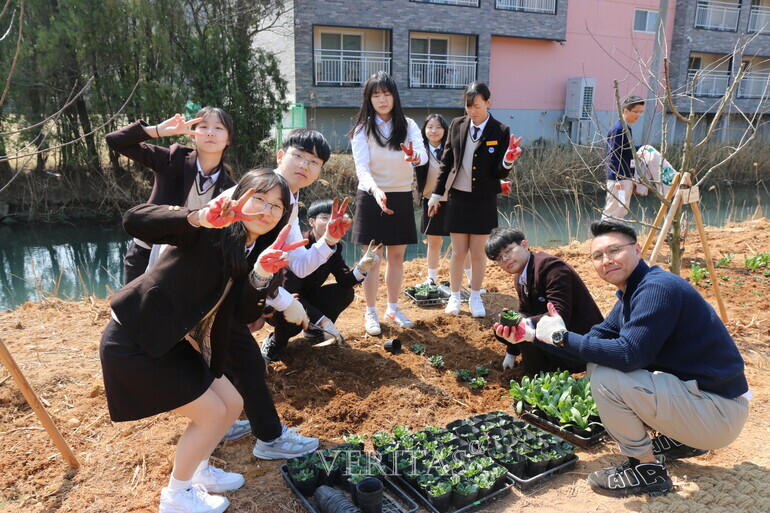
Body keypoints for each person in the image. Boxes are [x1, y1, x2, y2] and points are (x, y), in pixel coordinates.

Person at [100, 170, 304, 513]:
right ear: (240, 198)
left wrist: (260, 276)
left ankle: (199, 471)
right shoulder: (212, 228)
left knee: (232, 403)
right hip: (135, 340)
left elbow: (241, 313)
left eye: (276, 206)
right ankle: (176, 496)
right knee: (211, 414)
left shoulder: (254, 251)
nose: (266, 210)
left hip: (171, 342)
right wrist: (198, 217)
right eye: (259, 199)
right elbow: (134, 220)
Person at [529, 220, 750, 497]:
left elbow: (629, 355)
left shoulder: (657, 289)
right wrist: (532, 336)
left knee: (605, 375)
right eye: (597, 256)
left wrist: (561, 337)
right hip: (708, 404)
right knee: (598, 361)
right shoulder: (633, 292)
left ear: (637, 249)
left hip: (718, 413)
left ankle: (646, 470)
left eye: (614, 250)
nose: (606, 260)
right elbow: (594, 341)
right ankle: (682, 439)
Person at [106, 107, 237, 284]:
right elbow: (115, 141)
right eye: (203, 126)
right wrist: (158, 130)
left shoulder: (230, 188)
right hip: (146, 253)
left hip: (188, 263)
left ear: (228, 139)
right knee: (131, 302)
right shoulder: (173, 159)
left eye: (219, 128)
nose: (210, 133)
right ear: (192, 135)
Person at [427, 82, 521, 318]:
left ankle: (476, 296)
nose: (472, 111)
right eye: (468, 106)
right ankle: (455, 295)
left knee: (478, 252)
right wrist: (436, 194)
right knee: (458, 251)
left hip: (484, 199)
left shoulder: (500, 130)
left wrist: (508, 160)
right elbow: (446, 162)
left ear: (488, 103)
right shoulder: (457, 125)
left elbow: (499, 171)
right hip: (458, 197)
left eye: (476, 106)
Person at [349, 71, 428, 336]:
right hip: (371, 194)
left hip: (401, 194)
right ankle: (371, 312)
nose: (382, 99)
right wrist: (375, 190)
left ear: (394, 96)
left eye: (386, 93)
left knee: (397, 257)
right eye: (376, 95)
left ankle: (392, 308)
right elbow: (362, 168)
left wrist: (414, 157)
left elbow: (422, 156)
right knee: (372, 258)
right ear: (369, 99)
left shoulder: (408, 125)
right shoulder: (362, 129)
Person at [261, 199, 381, 362]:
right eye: (325, 218)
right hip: (283, 303)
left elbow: (344, 280)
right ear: (311, 222)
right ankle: (275, 342)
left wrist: (362, 268)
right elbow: (289, 294)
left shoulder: (335, 246)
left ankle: (314, 331)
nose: (331, 222)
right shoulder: (297, 245)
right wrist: (322, 319)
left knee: (345, 293)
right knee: (291, 318)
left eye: (334, 218)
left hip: (310, 297)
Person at [487, 228, 602, 373]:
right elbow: (524, 311)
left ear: (524, 245)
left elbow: (560, 314)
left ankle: (535, 378)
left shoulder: (552, 268)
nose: (505, 259)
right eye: (498, 259)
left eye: (508, 251)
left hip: (580, 346)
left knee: (523, 325)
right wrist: (511, 353)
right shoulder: (520, 276)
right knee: (512, 323)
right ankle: (539, 372)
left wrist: (523, 325)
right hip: (556, 340)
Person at [414, 114, 473, 287]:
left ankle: (471, 280)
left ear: (445, 130)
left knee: (461, 244)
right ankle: (431, 278)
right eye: (430, 127)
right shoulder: (419, 150)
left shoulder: (454, 148)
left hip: (455, 200)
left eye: (438, 127)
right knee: (434, 242)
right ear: (424, 130)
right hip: (431, 201)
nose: (434, 131)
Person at [602, 95, 644, 220]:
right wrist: (618, 179)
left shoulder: (625, 128)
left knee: (621, 210)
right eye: (636, 111)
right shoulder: (619, 129)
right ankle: (604, 232)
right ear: (626, 111)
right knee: (613, 211)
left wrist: (642, 148)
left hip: (624, 177)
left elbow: (626, 149)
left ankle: (614, 232)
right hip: (619, 179)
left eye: (641, 112)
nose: (638, 115)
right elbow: (613, 155)